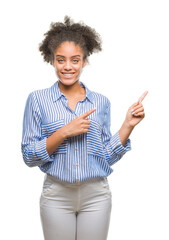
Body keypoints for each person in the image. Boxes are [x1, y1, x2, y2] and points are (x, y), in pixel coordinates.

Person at [21, 16, 148, 240]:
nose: (68, 67)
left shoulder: (100, 102)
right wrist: (64, 132)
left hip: (96, 195)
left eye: (75, 60)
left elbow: (106, 156)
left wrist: (128, 125)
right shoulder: (37, 100)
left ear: (84, 61)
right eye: (61, 60)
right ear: (52, 60)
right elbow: (29, 156)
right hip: (56, 195)